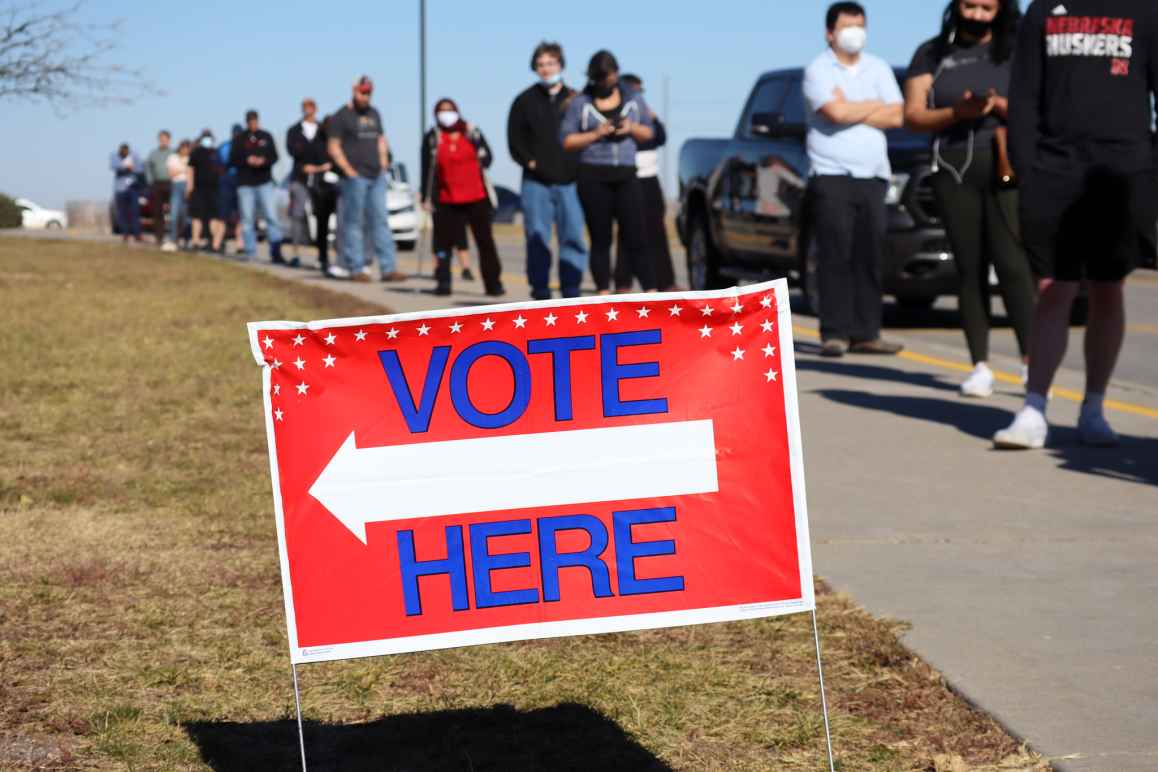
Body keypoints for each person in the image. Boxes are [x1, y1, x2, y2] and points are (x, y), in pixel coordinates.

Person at [994, 0, 1158, 449]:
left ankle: (1094, 409)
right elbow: (1025, 93)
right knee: (1054, 286)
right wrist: (1027, 165)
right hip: (1055, 169)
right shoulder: (1044, 10)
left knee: (1109, 287)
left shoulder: (1144, 10)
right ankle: (1033, 409)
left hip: (1123, 172)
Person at [904, 0, 1036, 396]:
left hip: (1003, 162)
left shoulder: (1017, 49)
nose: (977, 14)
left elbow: (1038, 109)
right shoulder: (932, 52)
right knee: (969, 266)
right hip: (953, 165)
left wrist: (995, 105)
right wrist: (956, 112)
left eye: (987, 7)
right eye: (970, 5)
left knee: (1013, 264)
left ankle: (1032, 363)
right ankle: (979, 364)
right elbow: (913, 115)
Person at [804, 2, 905, 357]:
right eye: (847, 26)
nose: (855, 33)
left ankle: (867, 333)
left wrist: (853, 108)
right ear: (830, 32)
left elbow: (898, 116)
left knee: (869, 255)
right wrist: (872, 107)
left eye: (860, 25)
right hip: (832, 175)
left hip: (874, 176)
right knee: (835, 254)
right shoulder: (818, 70)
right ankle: (834, 333)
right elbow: (833, 111)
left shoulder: (878, 67)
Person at [561, 50, 657, 294]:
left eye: (610, 77)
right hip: (593, 175)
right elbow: (567, 140)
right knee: (601, 238)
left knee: (637, 236)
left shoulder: (633, 99)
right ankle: (603, 293)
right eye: (601, 78)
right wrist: (596, 133)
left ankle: (651, 292)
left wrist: (630, 128)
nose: (606, 83)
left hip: (625, 174)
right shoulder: (580, 103)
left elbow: (650, 133)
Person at [507, 41, 588, 299]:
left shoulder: (577, 99)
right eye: (541, 64)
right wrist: (532, 164)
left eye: (551, 63)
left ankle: (571, 288)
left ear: (561, 65)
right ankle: (540, 290)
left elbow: (588, 137)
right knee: (537, 237)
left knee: (573, 235)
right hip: (536, 183)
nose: (546, 69)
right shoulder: (523, 101)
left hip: (570, 182)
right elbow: (515, 141)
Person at [420, 98, 505, 297]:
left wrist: (479, 156)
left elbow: (488, 158)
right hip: (446, 198)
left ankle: (493, 283)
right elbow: (427, 170)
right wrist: (426, 197)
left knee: (485, 242)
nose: (446, 114)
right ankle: (443, 281)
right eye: (442, 111)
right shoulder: (433, 137)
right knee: (442, 244)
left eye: (450, 110)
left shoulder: (471, 132)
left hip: (476, 196)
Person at [326, 75, 405, 283]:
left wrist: (384, 162)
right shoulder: (341, 116)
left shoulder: (374, 113)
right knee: (354, 222)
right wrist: (348, 170)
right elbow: (333, 146)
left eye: (369, 92)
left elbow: (381, 139)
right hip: (355, 177)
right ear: (354, 90)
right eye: (362, 92)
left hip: (376, 175)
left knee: (380, 220)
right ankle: (356, 267)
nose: (365, 96)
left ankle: (388, 268)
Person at [616, 73, 677, 291]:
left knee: (656, 230)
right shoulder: (619, 114)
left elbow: (659, 137)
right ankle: (623, 281)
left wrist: (653, 118)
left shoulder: (645, 114)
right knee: (627, 230)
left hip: (650, 177)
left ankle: (665, 282)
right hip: (629, 176)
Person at [287, 98, 340, 272]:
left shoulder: (326, 136)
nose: (308, 110)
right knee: (300, 215)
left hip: (327, 184)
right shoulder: (295, 131)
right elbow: (296, 154)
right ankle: (297, 253)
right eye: (305, 107)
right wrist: (314, 168)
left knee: (332, 221)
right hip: (304, 180)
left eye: (311, 107)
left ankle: (331, 257)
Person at [230, 110, 288, 265]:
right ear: (246, 122)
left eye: (254, 120)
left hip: (264, 183)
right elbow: (233, 159)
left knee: (271, 217)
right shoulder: (239, 139)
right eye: (250, 121)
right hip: (245, 184)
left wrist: (263, 161)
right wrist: (247, 160)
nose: (252, 123)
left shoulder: (266, 136)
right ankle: (250, 252)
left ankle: (276, 252)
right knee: (247, 220)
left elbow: (275, 156)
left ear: (258, 121)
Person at [187, 129, 226, 253]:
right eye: (205, 137)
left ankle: (214, 244)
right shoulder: (196, 153)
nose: (207, 140)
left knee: (213, 216)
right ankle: (195, 242)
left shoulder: (216, 153)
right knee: (196, 216)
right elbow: (190, 170)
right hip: (198, 188)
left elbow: (221, 170)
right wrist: (190, 187)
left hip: (214, 189)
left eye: (209, 137)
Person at [109, 143, 143, 243]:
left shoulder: (134, 156)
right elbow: (113, 167)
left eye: (126, 152)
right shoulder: (114, 156)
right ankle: (125, 234)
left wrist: (133, 168)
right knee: (122, 213)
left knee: (135, 212)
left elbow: (140, 169)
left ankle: (137, 234)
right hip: (120, 189)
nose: (124, 154)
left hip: (132, 188)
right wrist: (125, 167)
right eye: (122, 153)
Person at [145, 131, 174, 247]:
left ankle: (174, 236)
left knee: (173, 210)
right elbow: (148, 167)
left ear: (169, 140)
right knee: (157, 211)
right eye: (161, 139)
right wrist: (150, 181)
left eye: (165, 139)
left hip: (171, 183)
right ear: (159, 140)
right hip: (157, 184)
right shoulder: (153, 153)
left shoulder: (173, 153)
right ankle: (159, 237)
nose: (163, 141)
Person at [217, 124, 243, 249]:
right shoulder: (225, 147)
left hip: (241, 182)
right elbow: (219, 164)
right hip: (226, 182)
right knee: (223, 215)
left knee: (240, 215)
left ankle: (240, 244)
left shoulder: (245, 146)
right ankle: (218, 242)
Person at [165, 139, 192, 251]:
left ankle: (186, 240)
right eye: (183, 148)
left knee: (187, 216)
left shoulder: (191, 158)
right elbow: (171, 173)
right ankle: (173, 239)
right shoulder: (173, 158)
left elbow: (191, 174)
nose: (185, 150)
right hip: (176, 186)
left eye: (187, 148)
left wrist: (189, 188)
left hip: (188, 186)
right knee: (174, 214)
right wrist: (184, 169)